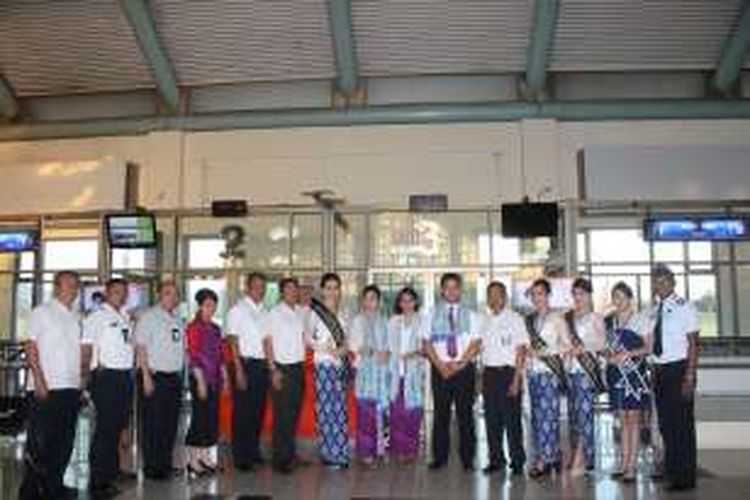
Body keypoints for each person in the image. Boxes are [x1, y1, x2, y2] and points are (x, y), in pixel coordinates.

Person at [19, 271, 83, 500]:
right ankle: (30, 493)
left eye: (76, 286)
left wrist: (81, 384)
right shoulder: (41, 312)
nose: (73, 290)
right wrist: (38, 378)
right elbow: (30, 345)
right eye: (69, 285)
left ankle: (54, 487)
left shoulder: (75, 317)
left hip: (70, 388)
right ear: (57, 287)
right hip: (46, 388)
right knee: (39, 444)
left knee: (64, 443)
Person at [81, 278, 135, 498]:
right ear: (106, 292)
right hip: (106, 378)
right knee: (105, 429)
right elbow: (85, 347)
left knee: (117, 427)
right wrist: (85, 377)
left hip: (124, 377)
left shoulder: (124, 316)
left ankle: (113, 471)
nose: (120, 295)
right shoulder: (97, 316)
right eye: (116, 291)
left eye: (124, 292)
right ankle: (98, 482)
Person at [423, 273, 481, 471]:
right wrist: (440, 365)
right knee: (441, 415)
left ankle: (468, 458)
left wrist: (460, 363)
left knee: (465, 414)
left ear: (460, 289)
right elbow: (426, 343)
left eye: (455, 287)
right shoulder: (431, 314)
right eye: (447, 287)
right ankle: (439, 457)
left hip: (464, 369)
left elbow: (476, 343)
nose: (451, 291)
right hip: (440, 369)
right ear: (441, 290)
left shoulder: (471, 314)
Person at [651, 264, 699, 491]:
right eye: (656, 282)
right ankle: (672, 470)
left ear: (673, 283)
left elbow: (693, 342)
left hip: (679, 371)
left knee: (682, 425)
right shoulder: (655, 309)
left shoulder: (685, 307)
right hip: (660, 372)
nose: (659, 286)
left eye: (663, 282)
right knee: (666, 425)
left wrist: (689, 375)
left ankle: (685, 477)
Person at [134, 280, 185, 480]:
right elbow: (141, 346)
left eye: (175, 294)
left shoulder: (177, 319)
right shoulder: (149, 317)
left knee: (170, 424)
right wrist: (146, 375)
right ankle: (152, 468)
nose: (172, 297)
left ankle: (165, 464)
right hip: (154, 377)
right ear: (159, 295)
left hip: (173, 378)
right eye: (167, 293)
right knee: (153, 425)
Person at [604, 281, 652, 483]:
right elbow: (603, 347)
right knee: (621, 420)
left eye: (621, 297)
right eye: (614, 296)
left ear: (629, 298)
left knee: (634, 421)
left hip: (635, 375)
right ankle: (623, 464)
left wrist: (627, 354)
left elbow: (649, 348)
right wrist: (609, 356)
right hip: (616, 374)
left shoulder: (641, 319)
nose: (617, 301)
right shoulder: (609, 321)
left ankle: (632, 467)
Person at [479, 281, 527, 476]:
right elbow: (482, 352)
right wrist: (480, 377)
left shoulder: (515, 319)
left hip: (508, 373)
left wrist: (517, 379)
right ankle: (496, 460)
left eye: (498, 294)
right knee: (492, 420)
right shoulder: (486, 321)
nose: (494, 298)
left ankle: (517, 461)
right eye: (490, 294)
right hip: (489, 374)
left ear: (505, 297)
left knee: (512, 420)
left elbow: (522, 349)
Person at [525, 278, 571, 478]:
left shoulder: (557, 318)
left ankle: (545, 460)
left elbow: (568, 346)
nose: (537, 298)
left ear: (548, 295)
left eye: (540, 293)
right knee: (536, 418)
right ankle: (551, 455)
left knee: (548, 417)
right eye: (533, 294)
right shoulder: (530, 319)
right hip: (533, 373)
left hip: (549, 374)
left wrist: (546, 352)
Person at [226, 272, 270, 471]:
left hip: (260, 366)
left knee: (257, 411)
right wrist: (238, 368)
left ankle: (253, 451)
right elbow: (232, 340)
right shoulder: (238, 310)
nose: (259, 290)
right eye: (256, 286)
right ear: (247, 287)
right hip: (243, 364)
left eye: (263, 287)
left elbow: (267, 340)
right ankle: (241, 457)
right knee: (243, 413)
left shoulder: (264, 311)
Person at [307, 273, 351, 469]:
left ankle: (340, 452)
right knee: (326, 409)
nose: (333, 291)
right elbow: (307, 339)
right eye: (329, 287)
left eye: (336, 287)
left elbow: (346, 341)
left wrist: (342, 350)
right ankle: (328, 453)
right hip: (324, 366)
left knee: (339, 409)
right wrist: (325, 348)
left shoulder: (343, 315)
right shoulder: (314, 313)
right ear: (323, 290)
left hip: (339, 365)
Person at [263, 278, 307, 474]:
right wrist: (273, 369)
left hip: (298, 368)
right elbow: (267, 341)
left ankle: (290, 454)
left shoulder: (298, 312)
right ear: (281, 292)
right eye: (288, 288)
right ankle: (280, 461)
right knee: (282, 416)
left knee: (294, 414)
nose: (292, 291)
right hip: (281, 369)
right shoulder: (274, 313)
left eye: (294, 288)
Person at [564, 278, 606, 475]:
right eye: (575, 294)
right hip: (571, 372)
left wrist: (583, 347)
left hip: (586, 373)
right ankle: (582, 455)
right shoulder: (568, 318)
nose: (578, 298)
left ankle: (582, 458)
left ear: (589, 295)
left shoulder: (596, 318)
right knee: (574, 417)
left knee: (585, 416)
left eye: (581, 294)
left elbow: (602, 344)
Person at [184, 288, 226, 477]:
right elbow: (192, 356)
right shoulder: (194, 327)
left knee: (211, 419)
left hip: (215, 379)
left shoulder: (216, 328)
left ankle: (206, 458)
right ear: (200, 306)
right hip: (200, 378)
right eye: (207, 305)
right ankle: (193, 460)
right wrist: (200, 381)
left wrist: (224, 377)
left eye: (214, 305)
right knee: (199, 418)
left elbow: (220, 355)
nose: (211, 309)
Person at [349, 285, 390, 467]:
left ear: (379, 301)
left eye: (373, 298)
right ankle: (366, 453)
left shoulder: (383, 320)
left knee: (378, 413)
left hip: (380, 373)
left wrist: (387, 353)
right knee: (365, 414)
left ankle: (377, 449)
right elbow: (354, 346)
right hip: (365, 373)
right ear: (362, 301)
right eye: (367, 298)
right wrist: (375, 353)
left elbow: (388, 345)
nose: (370, 301)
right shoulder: (358, 321)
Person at [388, 287, 426, 464]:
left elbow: (427, 348)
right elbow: (387, 345)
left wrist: (414, 354)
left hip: (413, 373)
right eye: (403, 300)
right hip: (396, 372)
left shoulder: (422, 321)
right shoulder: (393, 321)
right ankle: (397, 448)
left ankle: (410, 450)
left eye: (410, 300)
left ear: (415, 302)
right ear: (399, 303)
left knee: (413, 413)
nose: (407, 304)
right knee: (396, 413)